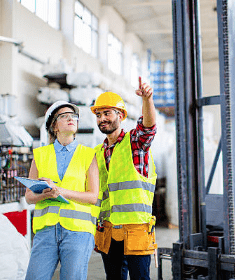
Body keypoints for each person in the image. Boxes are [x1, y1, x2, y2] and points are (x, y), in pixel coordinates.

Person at [91, 77, 158, 280]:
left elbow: (148, 129)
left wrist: (147, 100)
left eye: (107, 113)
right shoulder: (96, 153)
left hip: (136, 230)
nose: (103, 118)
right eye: (99, 114)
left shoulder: (134, 143)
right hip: (108, 231)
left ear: (120, 115)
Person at [25, 101, 100, 280]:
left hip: (78, 232)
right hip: (46, 231)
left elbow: (92, 196)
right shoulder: (40, 155)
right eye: (64, 116)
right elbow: (28, 197)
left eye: (73, 116)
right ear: (54, 126)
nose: (70, 119)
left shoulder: (88, 155)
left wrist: (60, 191)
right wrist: (44, 192)